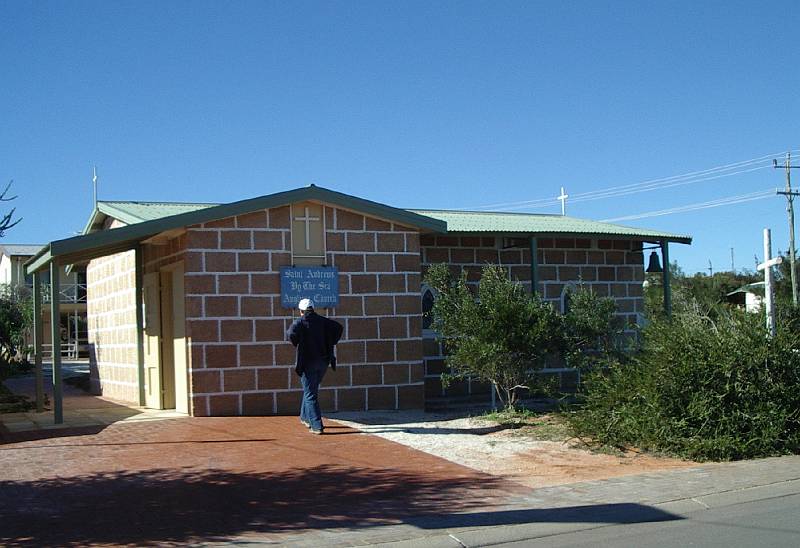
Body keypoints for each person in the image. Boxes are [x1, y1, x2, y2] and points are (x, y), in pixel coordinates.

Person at [286, 298, 343, 434]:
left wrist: (298, 342)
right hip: (323, 362)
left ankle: (317, 426)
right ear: (313, 308)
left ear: (301, 311)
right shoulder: (323, 321)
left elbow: (291, 334)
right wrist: (331, 341)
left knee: (311, 394)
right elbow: (338, 328)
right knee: (310, 389)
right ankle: (305, 417)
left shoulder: (299, 322)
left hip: (308, 362)